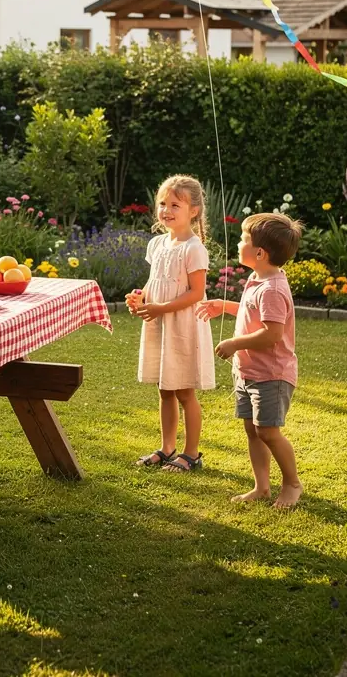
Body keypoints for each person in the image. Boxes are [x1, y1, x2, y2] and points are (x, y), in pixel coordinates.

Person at [197, 212, 303, 509]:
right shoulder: (258, 279)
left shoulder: (272, 289)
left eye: (244, 238)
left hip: (271, 374)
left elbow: (271, 334)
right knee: (253, 430)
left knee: (268, 431)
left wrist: (234, 343)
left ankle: (293, 484)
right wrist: (225, 306)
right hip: (249, 371)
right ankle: (262, 486)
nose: (239, 242)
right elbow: (251, 313)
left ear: (259, 252)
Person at [126, 174, 215, 473]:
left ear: (194, 211)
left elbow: (197, 292)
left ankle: (191, 454)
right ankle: (167, 448)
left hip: (182, 327)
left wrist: (162, 307)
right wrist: (140, 298)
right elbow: (156, 282)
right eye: (163, 203)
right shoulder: (157, 244)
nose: (166, 210)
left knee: (184, 391)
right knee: (165, 389)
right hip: (161, 323)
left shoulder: (193, 248)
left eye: (175, 204)